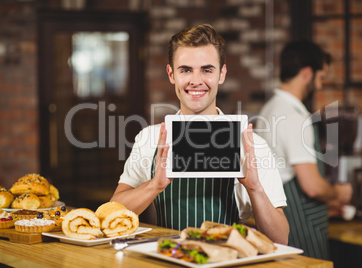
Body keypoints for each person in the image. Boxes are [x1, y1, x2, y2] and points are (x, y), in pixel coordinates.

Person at [110, 24, 289, 244]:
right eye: (185, 70)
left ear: (221, 74)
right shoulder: (149, 139)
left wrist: (255, 188)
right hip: (165, 259)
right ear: (171, 74)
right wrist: (154, 185)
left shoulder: (252, 145)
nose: (196, 80)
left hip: (225, 260)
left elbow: (280, 240)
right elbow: (112, 214)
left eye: (207, 70)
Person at [256, 40, 353, 260]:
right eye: (320, 78)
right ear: (307, 73)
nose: (319, 86)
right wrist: (339, 193)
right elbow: (311, 187)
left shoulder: (269, 109)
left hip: (278, 218)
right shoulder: (294, 116)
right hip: (300, 230)